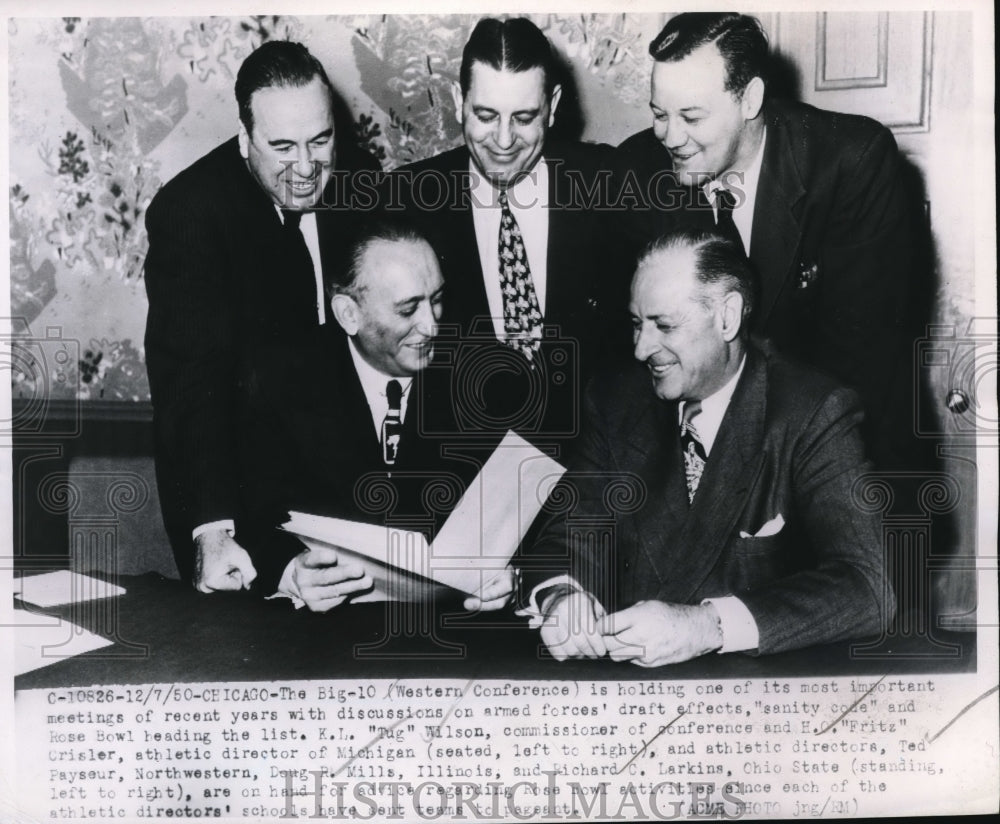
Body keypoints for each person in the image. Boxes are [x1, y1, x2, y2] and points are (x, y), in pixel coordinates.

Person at [522, 228, 893, 665]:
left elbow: (868, 587)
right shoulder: (615, 400)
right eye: (637, 324)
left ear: (727, 318)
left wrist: (706, 626)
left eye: (665, 325)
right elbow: (566, 538)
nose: (642, 349)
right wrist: (562, 596)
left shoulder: (814, 413)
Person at [610, 12, 918, 468]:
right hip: (702, 455)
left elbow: (859, 360)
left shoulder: (850, 162)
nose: (670, 138)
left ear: (750, 98)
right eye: (659, 114)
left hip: (835, 446)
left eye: (691, 116)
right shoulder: (638, 169)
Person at [144, 41, 380, 590]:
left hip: (354, 502)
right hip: (247, 512)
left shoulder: (362, 182)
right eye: (282, 146)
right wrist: (212, 529)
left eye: (321, 141)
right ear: (245, 136)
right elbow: (191, 384)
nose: (305, 169)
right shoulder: (192, 212)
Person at [238, 219, 515, 613]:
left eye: (436, 299)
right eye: (408, 309)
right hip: (316, 636)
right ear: (349, 314)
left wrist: (514, 575)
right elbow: (253, 515)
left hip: (454, 634)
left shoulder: (485, 379)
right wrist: (289, 571)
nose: (431, 325)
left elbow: (529, 522)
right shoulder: (281, 381)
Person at [386, 17, 612, 451]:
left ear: (554, 104)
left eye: (525, 118)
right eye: (486, 116)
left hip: (590, 470)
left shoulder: (604, 184)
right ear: (458, 100)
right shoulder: (405, 199)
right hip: (461, 477)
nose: (504, 141)